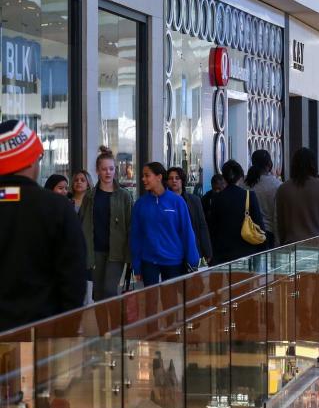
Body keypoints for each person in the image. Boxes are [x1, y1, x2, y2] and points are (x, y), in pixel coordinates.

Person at [0, 120, 86, 331]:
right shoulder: (56, 207)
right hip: (43, 333)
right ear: (31, 161)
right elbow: (74, 278)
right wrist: (66, 328)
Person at [130, 163, 200, 286]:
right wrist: (136, 265)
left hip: (173, 261)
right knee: (151, 302)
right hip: (149, 261)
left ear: (159, 177)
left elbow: (187, 232)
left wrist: (193, 261)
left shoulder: (177, 202)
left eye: (147, 176)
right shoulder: (140, 204)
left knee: (171, 302)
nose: (143, 179)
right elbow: (135, 236)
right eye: (143, 176)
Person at [80, 147, 133, 301]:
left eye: (111, 169)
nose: (108, 172)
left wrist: (130, 256)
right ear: (97, 170)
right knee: (97, 294)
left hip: (116, 252)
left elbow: (130, 226)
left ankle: (114, 326)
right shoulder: (90, 196)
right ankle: (104, 326)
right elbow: (82, 223)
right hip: (95, 251)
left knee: (110, 291)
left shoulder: (124, 196)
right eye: (104, 169)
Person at [275, 148, 319, 244]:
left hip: (291, 246)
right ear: (313, 165)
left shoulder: (283, 189)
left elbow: (280, 223)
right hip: (317, 245)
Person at [208, 160, 266, 265]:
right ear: (240, 177)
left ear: (224, 178)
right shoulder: (249, 196)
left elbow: (213, 227)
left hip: (223, 252)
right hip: (247, 249)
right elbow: (259, 225)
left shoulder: (217, 198)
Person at [166, 167, 212, 264]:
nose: (174, 180)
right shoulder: (164, 201)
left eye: (177, 178)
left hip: (192, 248)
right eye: (170, 178)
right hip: (171, 250)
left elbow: (202, 226)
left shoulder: (194, 200)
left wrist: (207, 251)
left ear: (182, 180)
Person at [243, 149, 282, 248]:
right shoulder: (277, 185)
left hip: (247, 232)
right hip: (268, 233)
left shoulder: (244, 183)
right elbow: (277, 215)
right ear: (269, 164)